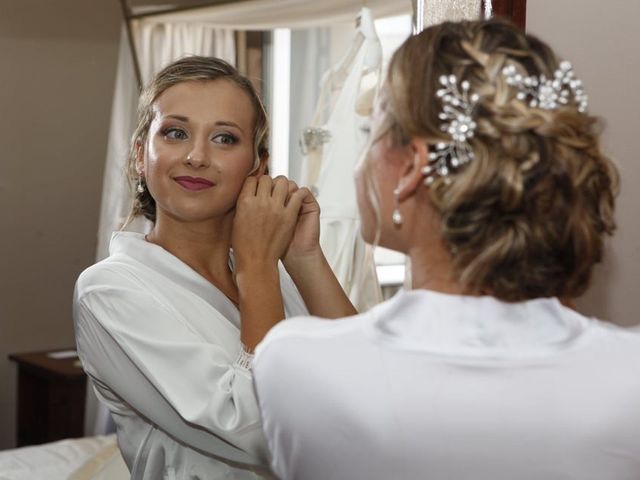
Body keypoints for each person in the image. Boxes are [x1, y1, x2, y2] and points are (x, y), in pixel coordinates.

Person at [252, 19, 640, 480]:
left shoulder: (296, 365)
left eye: (369, 132)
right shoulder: (626, 377)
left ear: (412, 166)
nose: (360, 161)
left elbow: (371, 368)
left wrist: (255, 264)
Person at [73, 56, 354, 479]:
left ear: (257, 165)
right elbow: (260, 430)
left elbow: (371, 389)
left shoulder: (275, 272)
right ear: (139, 154)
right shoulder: (109, 291)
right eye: (175, 133)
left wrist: (303, 257)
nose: (197, 156)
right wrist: (258, 268)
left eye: (224, 138)